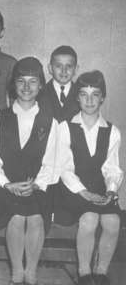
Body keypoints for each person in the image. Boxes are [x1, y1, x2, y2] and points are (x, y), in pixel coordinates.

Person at [0, 57, 58, 285]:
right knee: (16, 216)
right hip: (3, 187)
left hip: (37, 187)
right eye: (21, 81)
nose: (26, 87)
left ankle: (31, 272)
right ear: (13, 85)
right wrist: (7, 183)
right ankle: (17, 272)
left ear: (41, 85)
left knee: (35, 217)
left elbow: (53, 161)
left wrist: (36, 184)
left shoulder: (50, 121)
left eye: (33, 81)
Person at [55, 71, 123, 285]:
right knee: (90, 219)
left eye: (95, 95)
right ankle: (84, 272)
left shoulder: (112, 131)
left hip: (100, 189)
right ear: (77, 97)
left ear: (103, 97)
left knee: (113, 221)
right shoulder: (65, 127)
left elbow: (112, 167)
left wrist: (111, 190)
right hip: (73, 189)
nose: (90, 100)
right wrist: (83, 192)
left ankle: (100, 272)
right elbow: (64, 168)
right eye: (84, 94)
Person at [38, 45, 80, 122]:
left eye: (69, 66)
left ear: (76, 69)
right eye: (58, 66)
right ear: (50, 68)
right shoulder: (40, 93)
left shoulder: (81, 94)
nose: (64, 70)